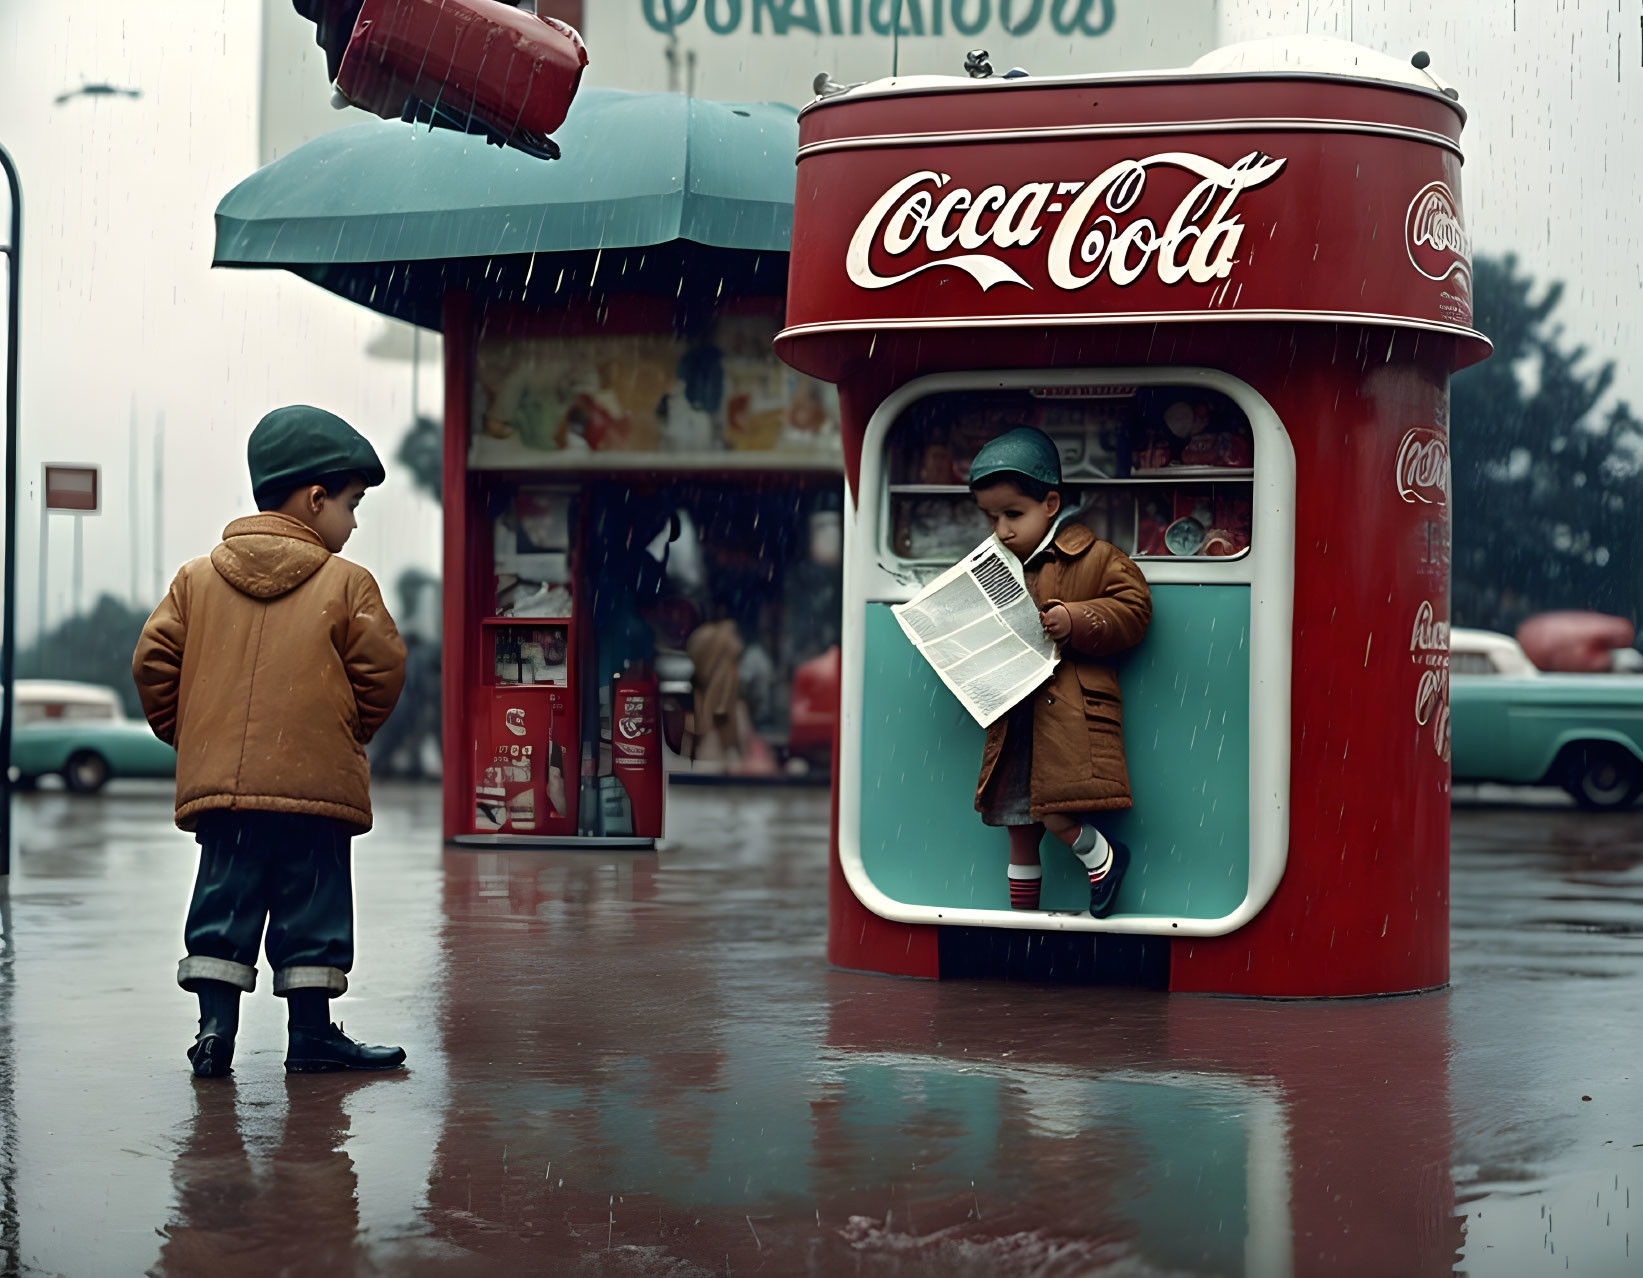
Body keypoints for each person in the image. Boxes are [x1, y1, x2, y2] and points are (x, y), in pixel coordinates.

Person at [132, 405, 409, 1078]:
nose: (353, 520)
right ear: (315, 500)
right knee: (311, 905)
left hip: (226, 791)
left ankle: (214, 1031)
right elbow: (382, 671)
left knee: (224, 898)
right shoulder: (347, 584)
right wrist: (339, 734)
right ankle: (311, 1036)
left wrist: (198, 736)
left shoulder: (196, 580)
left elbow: (153, 664)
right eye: (352, 503)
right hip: (314, 793)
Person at [968, 427, 1152, 917]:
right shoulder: (994, 564)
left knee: (1054, 812)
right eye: (992, 517)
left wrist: (1076, 619)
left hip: (1064, 711)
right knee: (1017, 825)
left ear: (1051, 503)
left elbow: (1133, 609)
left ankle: (1103, 859)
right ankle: (1020, 921)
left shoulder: (1093, 556)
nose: (1001, 529)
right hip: (1014, 713)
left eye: (1013, 514)